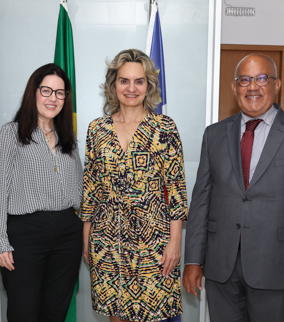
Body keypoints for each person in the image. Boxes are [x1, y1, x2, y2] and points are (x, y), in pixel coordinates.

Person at [183, 53, 284, 322]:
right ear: (234, 87)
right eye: (245, 80)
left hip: (276, 266)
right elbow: (201, 201)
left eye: (262, 78)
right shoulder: (213, 135)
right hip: (220, 267)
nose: (253, 86)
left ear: (277, 85)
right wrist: (193, 260)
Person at [81, 49, 188, 322]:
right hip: (107, 240)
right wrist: (86, 238)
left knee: (154, 314)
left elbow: (176, 191)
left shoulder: (164, 128)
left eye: (139, 81)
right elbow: (91, 189)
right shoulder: (97, 129)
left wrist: (175, 242)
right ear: (113, 85)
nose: (131, 88)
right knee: (116, 316)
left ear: (148, 86)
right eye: (124, 81)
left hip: (154, 243)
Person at [0, 63, 83, 321]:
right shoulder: (11, 133)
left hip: (67, 232)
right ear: (33, 92)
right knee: (24, 311)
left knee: (56, 311)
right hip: (25, 233)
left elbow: (80, 187)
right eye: (46, 90)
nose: (53, 98)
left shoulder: (67, 138)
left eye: (60, 93)